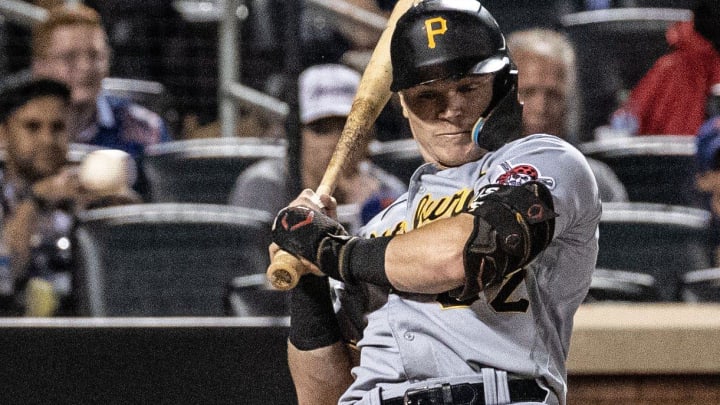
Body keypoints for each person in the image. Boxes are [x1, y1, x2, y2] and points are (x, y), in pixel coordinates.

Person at [268, 1, 601, 404]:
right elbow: (320, 397)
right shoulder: (379, 231)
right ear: (404, 105)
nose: (452, 109)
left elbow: (462, 253)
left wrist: (332, 251)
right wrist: (309, 280)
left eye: (467, 87)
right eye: (429, 96)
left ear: (500, 87)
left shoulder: (548, 162)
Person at [0, 77, 140, 316]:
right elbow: (5, 276)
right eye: (32, 127)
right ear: (3, 134)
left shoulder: (88, 187)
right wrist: (36, 200)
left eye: (58, 127)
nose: (47, 139)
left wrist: (117, 214)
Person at [228, 63, 406, 231]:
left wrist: (369, 221)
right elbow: (250, 262)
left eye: (347, 130)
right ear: (297, 137)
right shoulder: (262, 186)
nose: (335, 142)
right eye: (321, 130)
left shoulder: (387, 195)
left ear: (368, 138)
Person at [30, 3, 171, 198]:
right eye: (70, 57)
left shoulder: (147, 131)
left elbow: (164, 208)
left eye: (95, 56)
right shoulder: (17, 132)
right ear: (40, 67)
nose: (86, 67)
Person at [507, 27, 629, 203]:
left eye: (554, 95)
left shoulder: (597, 184)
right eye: (528, 92)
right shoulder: (472, 177)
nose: (541, 108)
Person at [611, 0, 720, 136]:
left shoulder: (668, 67)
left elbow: (631, 118)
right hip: (695, 152)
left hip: (664, 152)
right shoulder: (669, 67)